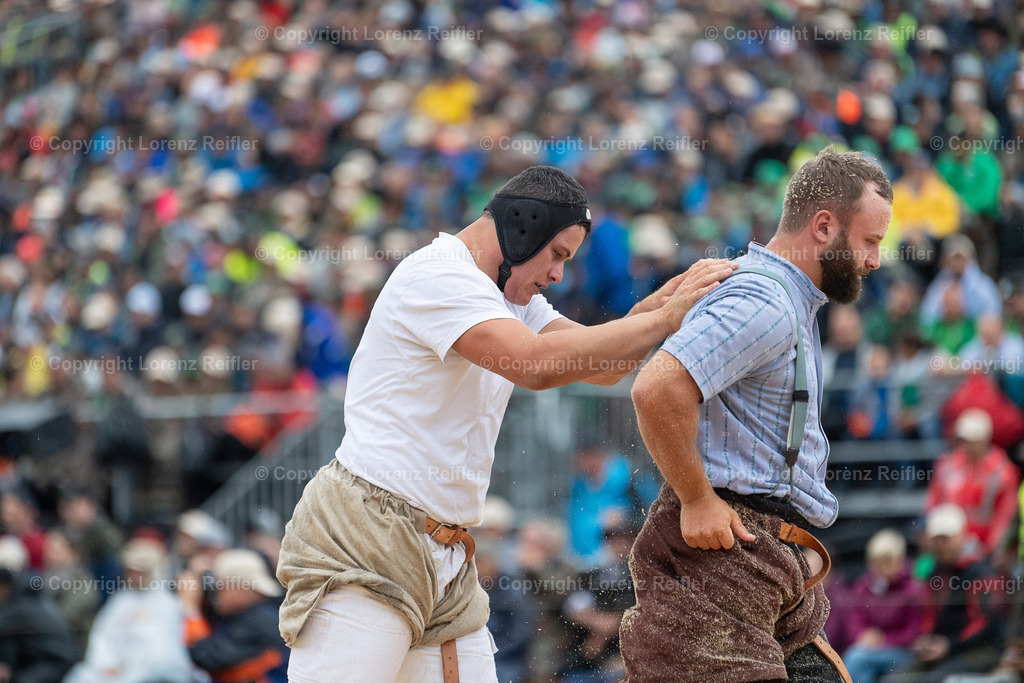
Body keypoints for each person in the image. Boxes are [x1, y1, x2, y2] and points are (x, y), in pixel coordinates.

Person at [277, 165, 737, 682]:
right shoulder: (439, 275)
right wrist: (664, 317)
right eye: (558, 254)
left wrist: (659, 305)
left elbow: (604, 366)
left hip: (444, 550)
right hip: (368, 536)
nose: (559, 274)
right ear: (524, 226)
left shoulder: (507, 296)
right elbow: (538, 364)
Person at [621, 147, 894, 682]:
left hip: (757, 563)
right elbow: (655, 388)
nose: (874, 260)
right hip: (724, 557)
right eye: (869, 241)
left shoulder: (781, 295)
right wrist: (698, 498)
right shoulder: (764, 300)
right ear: (823, 227)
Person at [880, 504, 1006, 682]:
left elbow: (985, 623)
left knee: (936, 679)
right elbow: (929, 616)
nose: (941, 545)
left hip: (983, 650)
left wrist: (949, 645)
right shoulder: (936, 572)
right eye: (937, 539)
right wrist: (926, 638)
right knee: (895, 678)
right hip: (944, 650)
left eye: (946, 538)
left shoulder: (981, 571)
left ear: (962, 535)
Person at [181, 548, 289, 683]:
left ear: (239, 587)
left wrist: (191, 610)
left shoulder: (261, 622)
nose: (216, 595)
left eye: (220, 587)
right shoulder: (250, 614)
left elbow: (206, 657)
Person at [924, 408, 1020, 556]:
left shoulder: (1002, 473)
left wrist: (989, 549)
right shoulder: (947, 466)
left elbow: (1005, 515)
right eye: (964, 440)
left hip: (983, 549)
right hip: (947, 547)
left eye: (973, 440)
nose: (968, 445)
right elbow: (934, 504)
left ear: (985, 439)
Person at [843, 529, 925, 683]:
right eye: (878, 562)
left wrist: (883, 640)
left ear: (899, 561)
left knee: (857, 658)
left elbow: (912, 632)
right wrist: (864, 636)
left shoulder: (911, 590)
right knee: (863, 669)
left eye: (888, 561)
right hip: (869, 650)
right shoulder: (863, 587)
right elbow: (854, 622)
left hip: (901, 652)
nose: (883, 568)